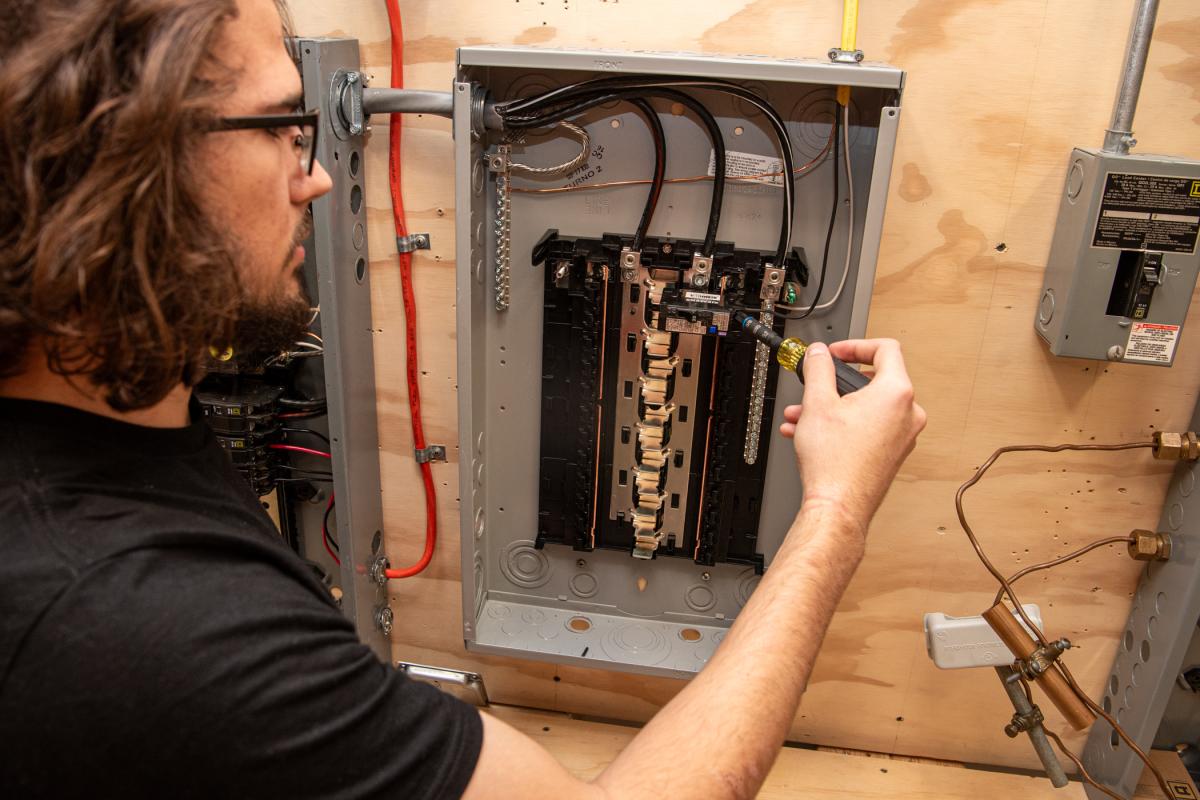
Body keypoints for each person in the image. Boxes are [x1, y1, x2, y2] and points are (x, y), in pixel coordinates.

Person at [0, 0, 926, 797]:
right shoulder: (147, 626)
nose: (315, 173)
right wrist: (839, 505)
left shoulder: (93, 459)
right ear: (124, 164)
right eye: (280, 125)